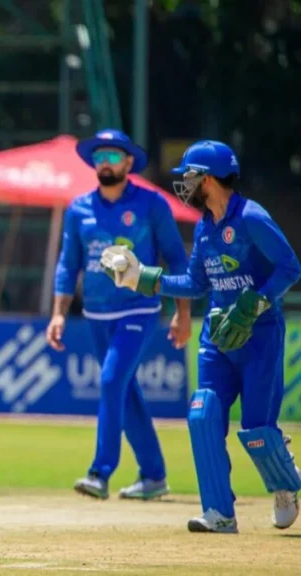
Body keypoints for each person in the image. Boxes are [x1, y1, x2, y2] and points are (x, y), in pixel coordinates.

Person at [101, 140, 301, 533]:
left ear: (208, 179)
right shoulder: (206, 228)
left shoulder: (252, 219)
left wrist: (256, 302)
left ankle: (286, 486)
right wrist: (140, 277)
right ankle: (219, 513)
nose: (185, 185)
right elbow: (194, 284)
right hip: (216, 337)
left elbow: (290, 267)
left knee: (258, 429)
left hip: (258, 335)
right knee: (203, 413)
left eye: (189, 177)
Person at [46, 129, 191, 501]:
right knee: (125, 392)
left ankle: (100, 471)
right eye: (99, 157)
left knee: (111, 381)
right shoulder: (79, 209)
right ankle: (154, 475)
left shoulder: (151, 204)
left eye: (113, 157)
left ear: (129, 162)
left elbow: (176, 258)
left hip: (139, 309)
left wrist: (182, 313)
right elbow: (68, 264)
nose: (105, 163)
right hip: (96, 314)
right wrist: (58, 314)